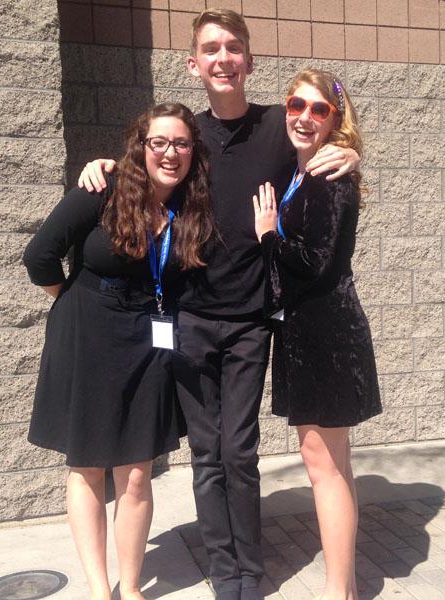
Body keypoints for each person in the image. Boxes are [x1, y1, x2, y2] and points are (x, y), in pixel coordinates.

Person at [77, 10, 360, 599]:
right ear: (194, 64)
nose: (223, 58)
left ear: (249, 61)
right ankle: (223, 573)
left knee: (240, 452)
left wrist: (351, 155)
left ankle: (249, 575)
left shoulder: (279, 129)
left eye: (234, 48)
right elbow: (143, 165)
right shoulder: (188, 136)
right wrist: (100, 165)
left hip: (251, 322)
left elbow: (323, 136)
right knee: (206, 456)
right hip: (188, 319)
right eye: (211, 49)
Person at [23, 102, 213, 600]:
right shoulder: (102, 188)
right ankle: (98, 588)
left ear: (193, 152)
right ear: (141, 146)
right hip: (87, 331)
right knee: (87, 464)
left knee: (136, 470)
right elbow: (39, 254)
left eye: (181, 143)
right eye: (159, 142)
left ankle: (130, 587)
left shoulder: (192, 205)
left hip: (148, 337)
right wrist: (68, 298)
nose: (170, 153)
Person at [252, 69, 382, 600]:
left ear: (335, 119)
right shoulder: (302, 172)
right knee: (334, 461)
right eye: (295, 105)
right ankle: (345, 587)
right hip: (309, 331)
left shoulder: (330, 177)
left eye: (318, 109)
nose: (304, 116)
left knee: (321, 464)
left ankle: (336, 592)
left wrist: (267, 237)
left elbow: (316, 262)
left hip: (326, 333)